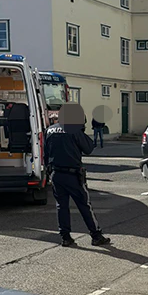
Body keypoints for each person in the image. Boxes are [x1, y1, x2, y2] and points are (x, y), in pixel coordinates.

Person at [45, 104, 110, 247]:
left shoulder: (50, 130)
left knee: (61, 206)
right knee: (84, 205)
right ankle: (96, 235)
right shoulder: (74, 130)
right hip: (72, 174)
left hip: (56, 173)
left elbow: (45, 153)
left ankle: (65, 237)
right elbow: (88, 148)